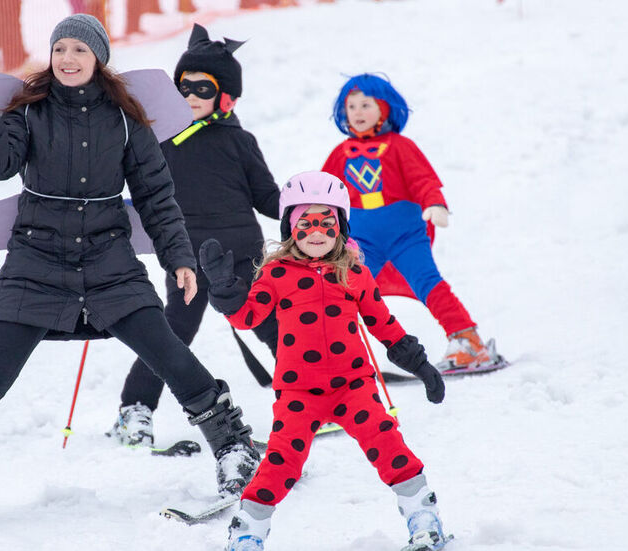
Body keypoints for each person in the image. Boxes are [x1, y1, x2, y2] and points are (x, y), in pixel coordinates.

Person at [0, 14, 261, 529]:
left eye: (79, 51)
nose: (68, 59)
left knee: (169, 353)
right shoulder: (30, 109)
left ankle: (235, 449)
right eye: (60, 49)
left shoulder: (126, 118)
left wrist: (178, 256)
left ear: (98, 59)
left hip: (110, 262)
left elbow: (156, 195)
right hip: (36, 262)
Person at [198, 171, 451, 551]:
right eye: (306, 223)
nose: (317, 232)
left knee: (388, 445)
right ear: (290, 229)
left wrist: (421, 366)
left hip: (354, 387)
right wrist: (224, 291)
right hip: (299, 391)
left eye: (326, 223)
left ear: (341, 227)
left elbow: (385, 326)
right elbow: (246, 318)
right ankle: (247, 533)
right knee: (281, 463)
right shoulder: (275, 274)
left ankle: (423, 518)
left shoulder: (355, 273)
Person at [109, 23, 281, 449]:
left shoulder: (241, 141)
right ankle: (136, 410)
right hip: (185, 256)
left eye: (202, 88)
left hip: (243, 255)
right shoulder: (160, 141)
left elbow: (267, 197)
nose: (190, 96)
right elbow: (143, 191)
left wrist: (308, 212)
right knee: (172, 333)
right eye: (182, 86)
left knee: (272, 325)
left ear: (225, 97)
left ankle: (313, 397)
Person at [321, 74, 501, 371]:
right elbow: (326, 191)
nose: (357, 112)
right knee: (348, 289)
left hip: (406, 236)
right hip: (362, 241)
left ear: (385, 108)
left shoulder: (399, 146)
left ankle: (469, 343)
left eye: (366, 104)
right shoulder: (341, 154)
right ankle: (333, 355)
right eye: (350, 106)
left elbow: (423, 180)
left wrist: (434, 203)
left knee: (428, 283)